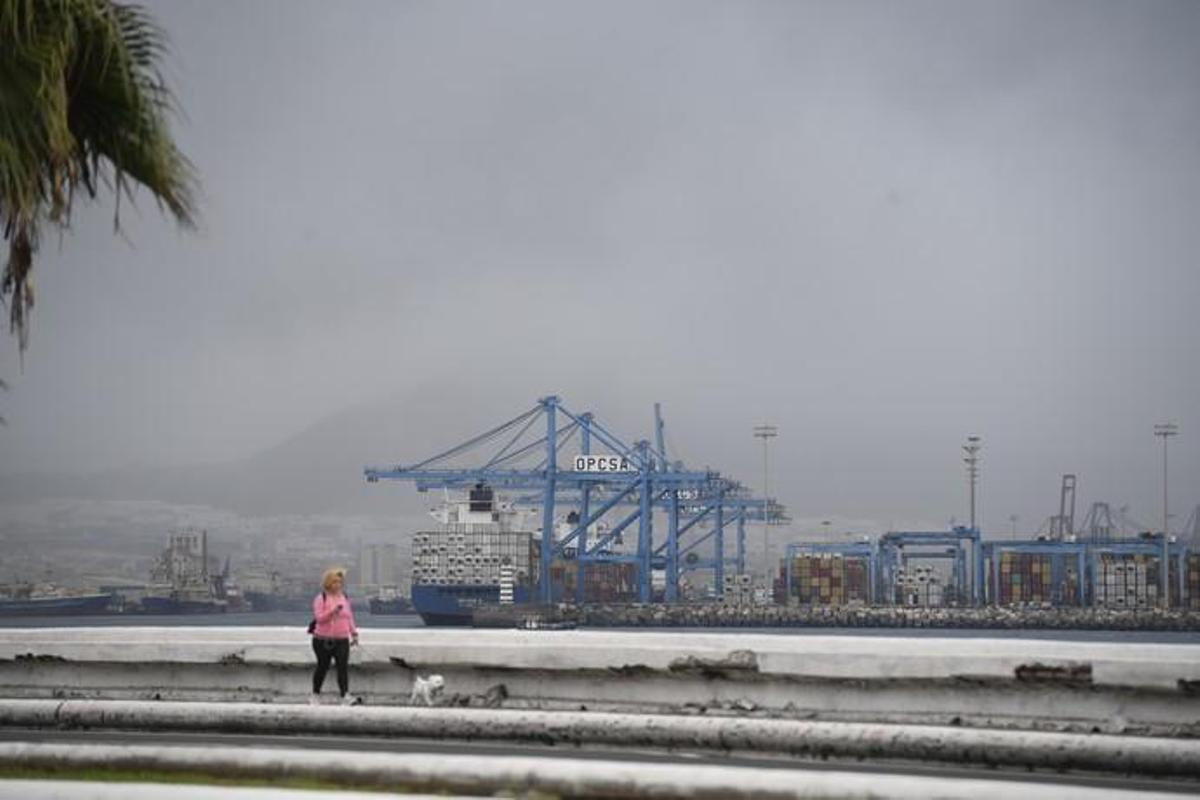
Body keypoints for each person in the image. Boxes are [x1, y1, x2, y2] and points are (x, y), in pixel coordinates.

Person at [309, 567, 358, 705]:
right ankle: (315, 694)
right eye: (335, 582)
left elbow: (349, 617)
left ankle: (345, 695)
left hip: (342, 639)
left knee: (342, 667)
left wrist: (354, 633)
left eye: (340, 582)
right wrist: (333, 612)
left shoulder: (344, 598)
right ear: (328, 583)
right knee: (322, 666)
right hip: (322, 640)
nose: (338, 585)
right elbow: (319, 618)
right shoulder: (321, 598)